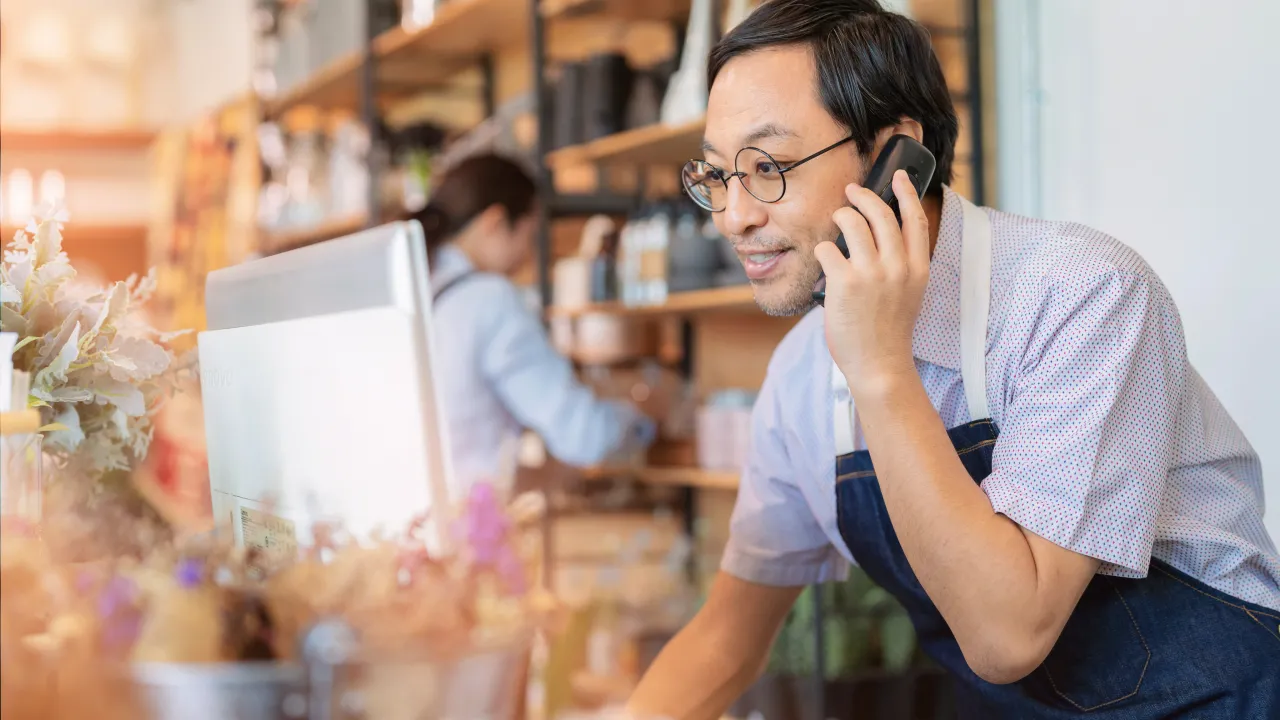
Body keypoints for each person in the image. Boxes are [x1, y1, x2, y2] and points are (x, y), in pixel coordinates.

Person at [627, 1, 1280, 718]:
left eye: (768, 166)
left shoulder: (1079, 294)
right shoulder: (800, 377)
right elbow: (727, 639)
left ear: (893, 158)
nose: (733, 216)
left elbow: (1009, 634)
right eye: (718, 175)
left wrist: (879, 368)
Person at [409, 153, 656, 487]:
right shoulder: (488, 299)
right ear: (495, 222)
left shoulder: (415, 282)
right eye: (529, 234)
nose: (527, 256)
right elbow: (583, 436)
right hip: (465, 526)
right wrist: (646, 414)